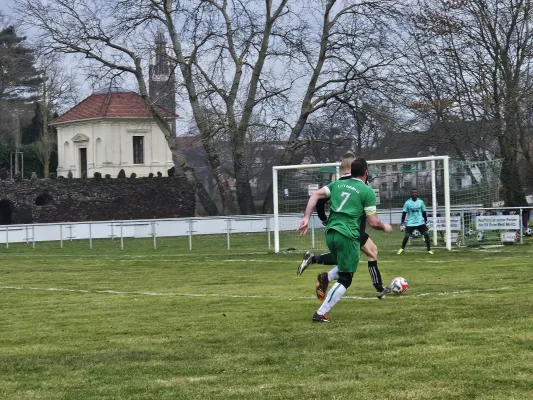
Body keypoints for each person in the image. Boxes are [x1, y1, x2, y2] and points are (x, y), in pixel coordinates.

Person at [297, 158, 392, 322]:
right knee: (346, 279)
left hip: (330, 233)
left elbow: (315, 195)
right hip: (348, 234)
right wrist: (385, 227)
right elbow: (373, 222)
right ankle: (321, 313)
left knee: (343, 264)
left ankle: (324, 274)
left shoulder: (337, 185)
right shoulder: (367, 191)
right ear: (366, 173)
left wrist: (306, 217)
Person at [397, 188, 434, 255]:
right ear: (411, 194)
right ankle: (402, 248)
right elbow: (404, 213)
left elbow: (424, 212)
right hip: (411, 223)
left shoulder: (421, 202)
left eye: (415, 192)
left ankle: (429, 250)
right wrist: (402, 223)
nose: (414, 193)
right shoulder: (407, 202)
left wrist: (426, 221)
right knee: (407, 236)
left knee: (426, 234)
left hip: (420, 222)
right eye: (413, 192)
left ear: (417, 193)